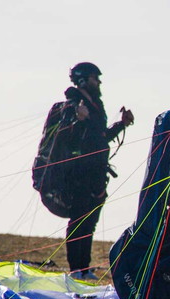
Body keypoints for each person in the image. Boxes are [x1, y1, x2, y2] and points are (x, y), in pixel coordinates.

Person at [61, 62, 134, 281]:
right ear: (83, 80)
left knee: (89, 222)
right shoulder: (73, 104)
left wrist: (121, 124)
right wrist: (78, 119)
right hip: (79, 174)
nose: (99, 82)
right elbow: (68, 139)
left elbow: (100, 138)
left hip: (96, 175)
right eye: (95, 78)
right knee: (79, 220)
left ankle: (84, 268)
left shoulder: (95, 105)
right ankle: (76, 269)